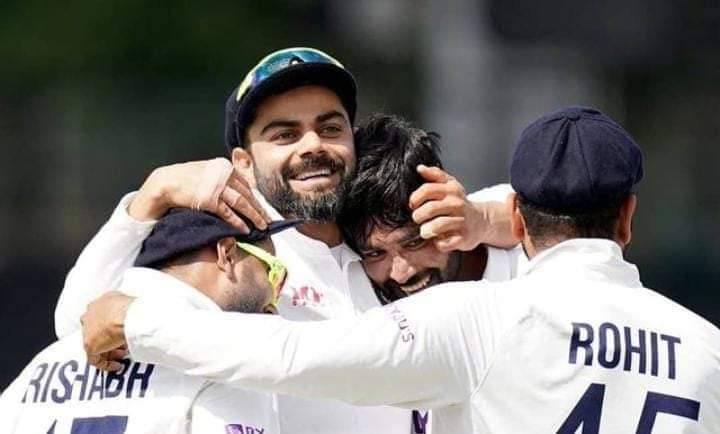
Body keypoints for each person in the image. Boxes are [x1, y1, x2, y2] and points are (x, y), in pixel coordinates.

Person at [82, 107, 720, 433]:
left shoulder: (479, 320)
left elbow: (287, 355)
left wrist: (136, 322)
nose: (400, 270)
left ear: (517, 217)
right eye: (375, 254)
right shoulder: (706, 348)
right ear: (629, 217)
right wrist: (486, 218)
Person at [52, 47, 514, 433]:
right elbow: (80, 325)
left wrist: (484, 217)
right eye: (284, 135)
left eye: (330, 128)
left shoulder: (379, 235)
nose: (312, 146)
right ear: (244, 163)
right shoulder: (235, 257)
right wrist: (149, 197)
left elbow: (534, 212)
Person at [0, 208, 300, 433]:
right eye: (275, 274)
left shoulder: (42, 366)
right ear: (227, 254)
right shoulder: (229, 364)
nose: (274, 301)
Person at [341, 114, 523, 304]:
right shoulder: (351, 295)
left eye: (414, 243)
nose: (401, 274)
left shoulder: (525, 232)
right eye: (375, 254)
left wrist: (486, 221)